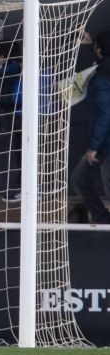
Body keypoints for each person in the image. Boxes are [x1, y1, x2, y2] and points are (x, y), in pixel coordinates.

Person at [72, 30, 110, 224]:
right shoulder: (101, 71)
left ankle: (103, 221)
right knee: (80, 179)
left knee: (81, 180)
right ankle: (103, 220)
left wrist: (94, 147)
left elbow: (105, 114)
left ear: (100, 50)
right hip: (103, 143)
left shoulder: (102, 77)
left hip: (104, 145)